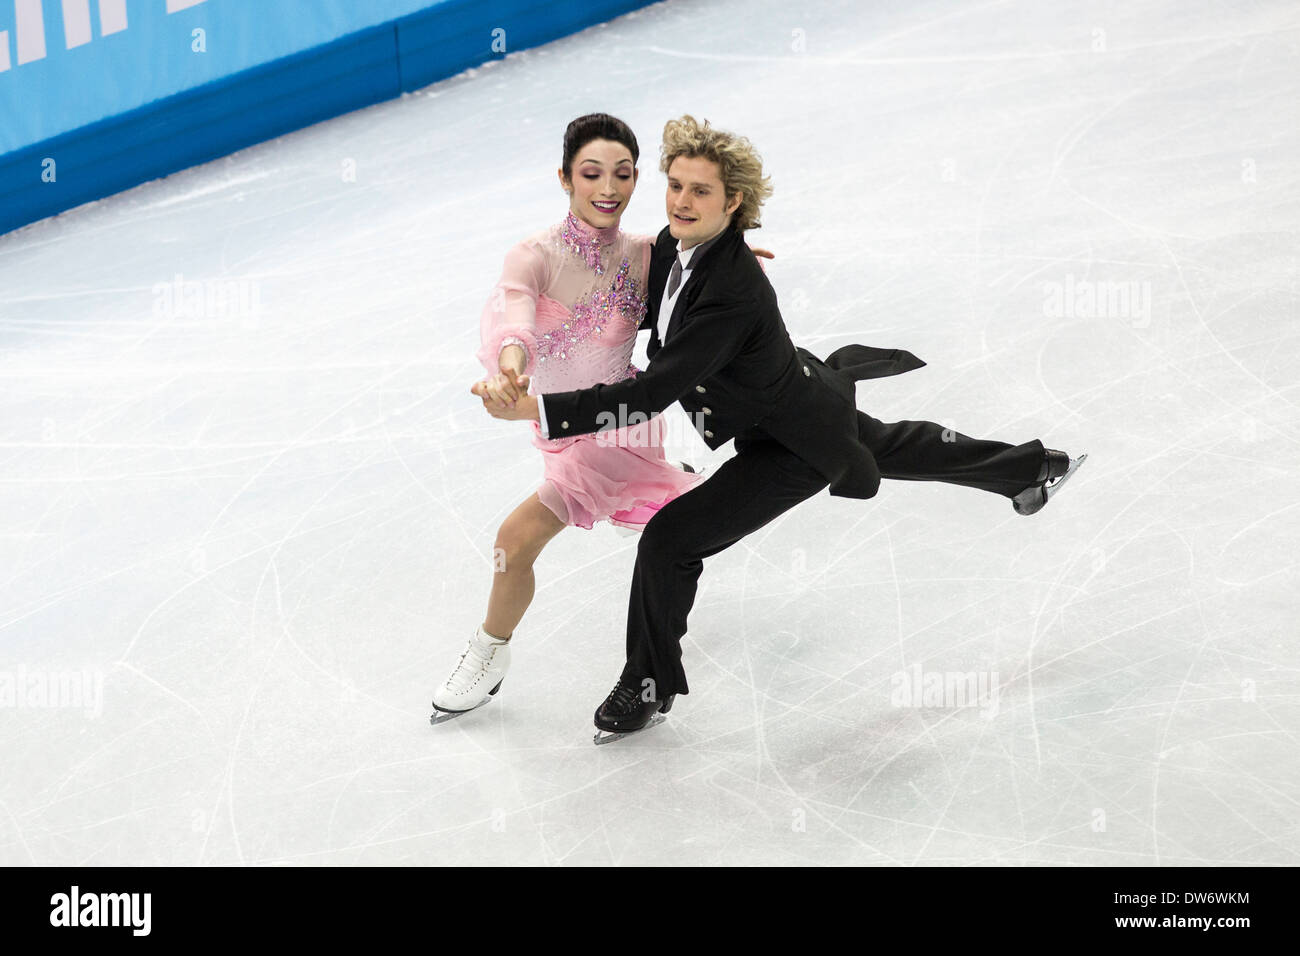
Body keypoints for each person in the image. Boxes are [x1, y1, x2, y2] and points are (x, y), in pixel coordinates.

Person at [480, 115, 1087, 741]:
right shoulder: (673, 247)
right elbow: (631, 303)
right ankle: (1029, 467)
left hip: (792, 438)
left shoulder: (730, 292)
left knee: (669, 542)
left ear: (733, 200)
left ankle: (648, 682)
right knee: (891, 444)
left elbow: (652, 393)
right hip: (788, 400)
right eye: (677, 186)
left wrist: (542, 411)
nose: (683, 202)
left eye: (702, 191)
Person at [431, 113, 768, 722]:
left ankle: (498, 653)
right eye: (592, 174)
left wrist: (733, 254)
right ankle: (510, 652)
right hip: (562, 433)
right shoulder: (534, 256)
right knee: (652, 534)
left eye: (623, 174)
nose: (608, 188)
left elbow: (704, 263)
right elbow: (515, 319)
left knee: (519, 540)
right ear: (565, 177)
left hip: (620, 426)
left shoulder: (646, 255)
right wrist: (511, 369)